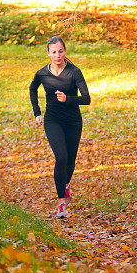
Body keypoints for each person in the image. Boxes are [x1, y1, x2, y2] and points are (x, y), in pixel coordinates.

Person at [29, 36, 91, 219]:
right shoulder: (42, 74)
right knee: (61, 157)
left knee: (70, 162)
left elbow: (86, 99)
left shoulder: (74, 72)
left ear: (65, 52)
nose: (57, 55)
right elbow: (32, 89)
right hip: (52, 120)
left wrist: (68, 99)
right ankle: (61, 204)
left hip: (73, 121)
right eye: (54, 52)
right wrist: (37, 112)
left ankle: (65, 185)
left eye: (61, 51)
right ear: (48, 53)